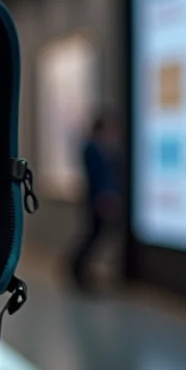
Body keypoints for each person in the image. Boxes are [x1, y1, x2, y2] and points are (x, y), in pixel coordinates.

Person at [69, 112, 120, 292]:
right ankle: (76, 268)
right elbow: (99, 177)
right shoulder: (93, 148)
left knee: (94, 235)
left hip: (99, 198)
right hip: (98, 199)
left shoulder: (97, 147)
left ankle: (79, 269)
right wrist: (105, 198)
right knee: (92, 235)